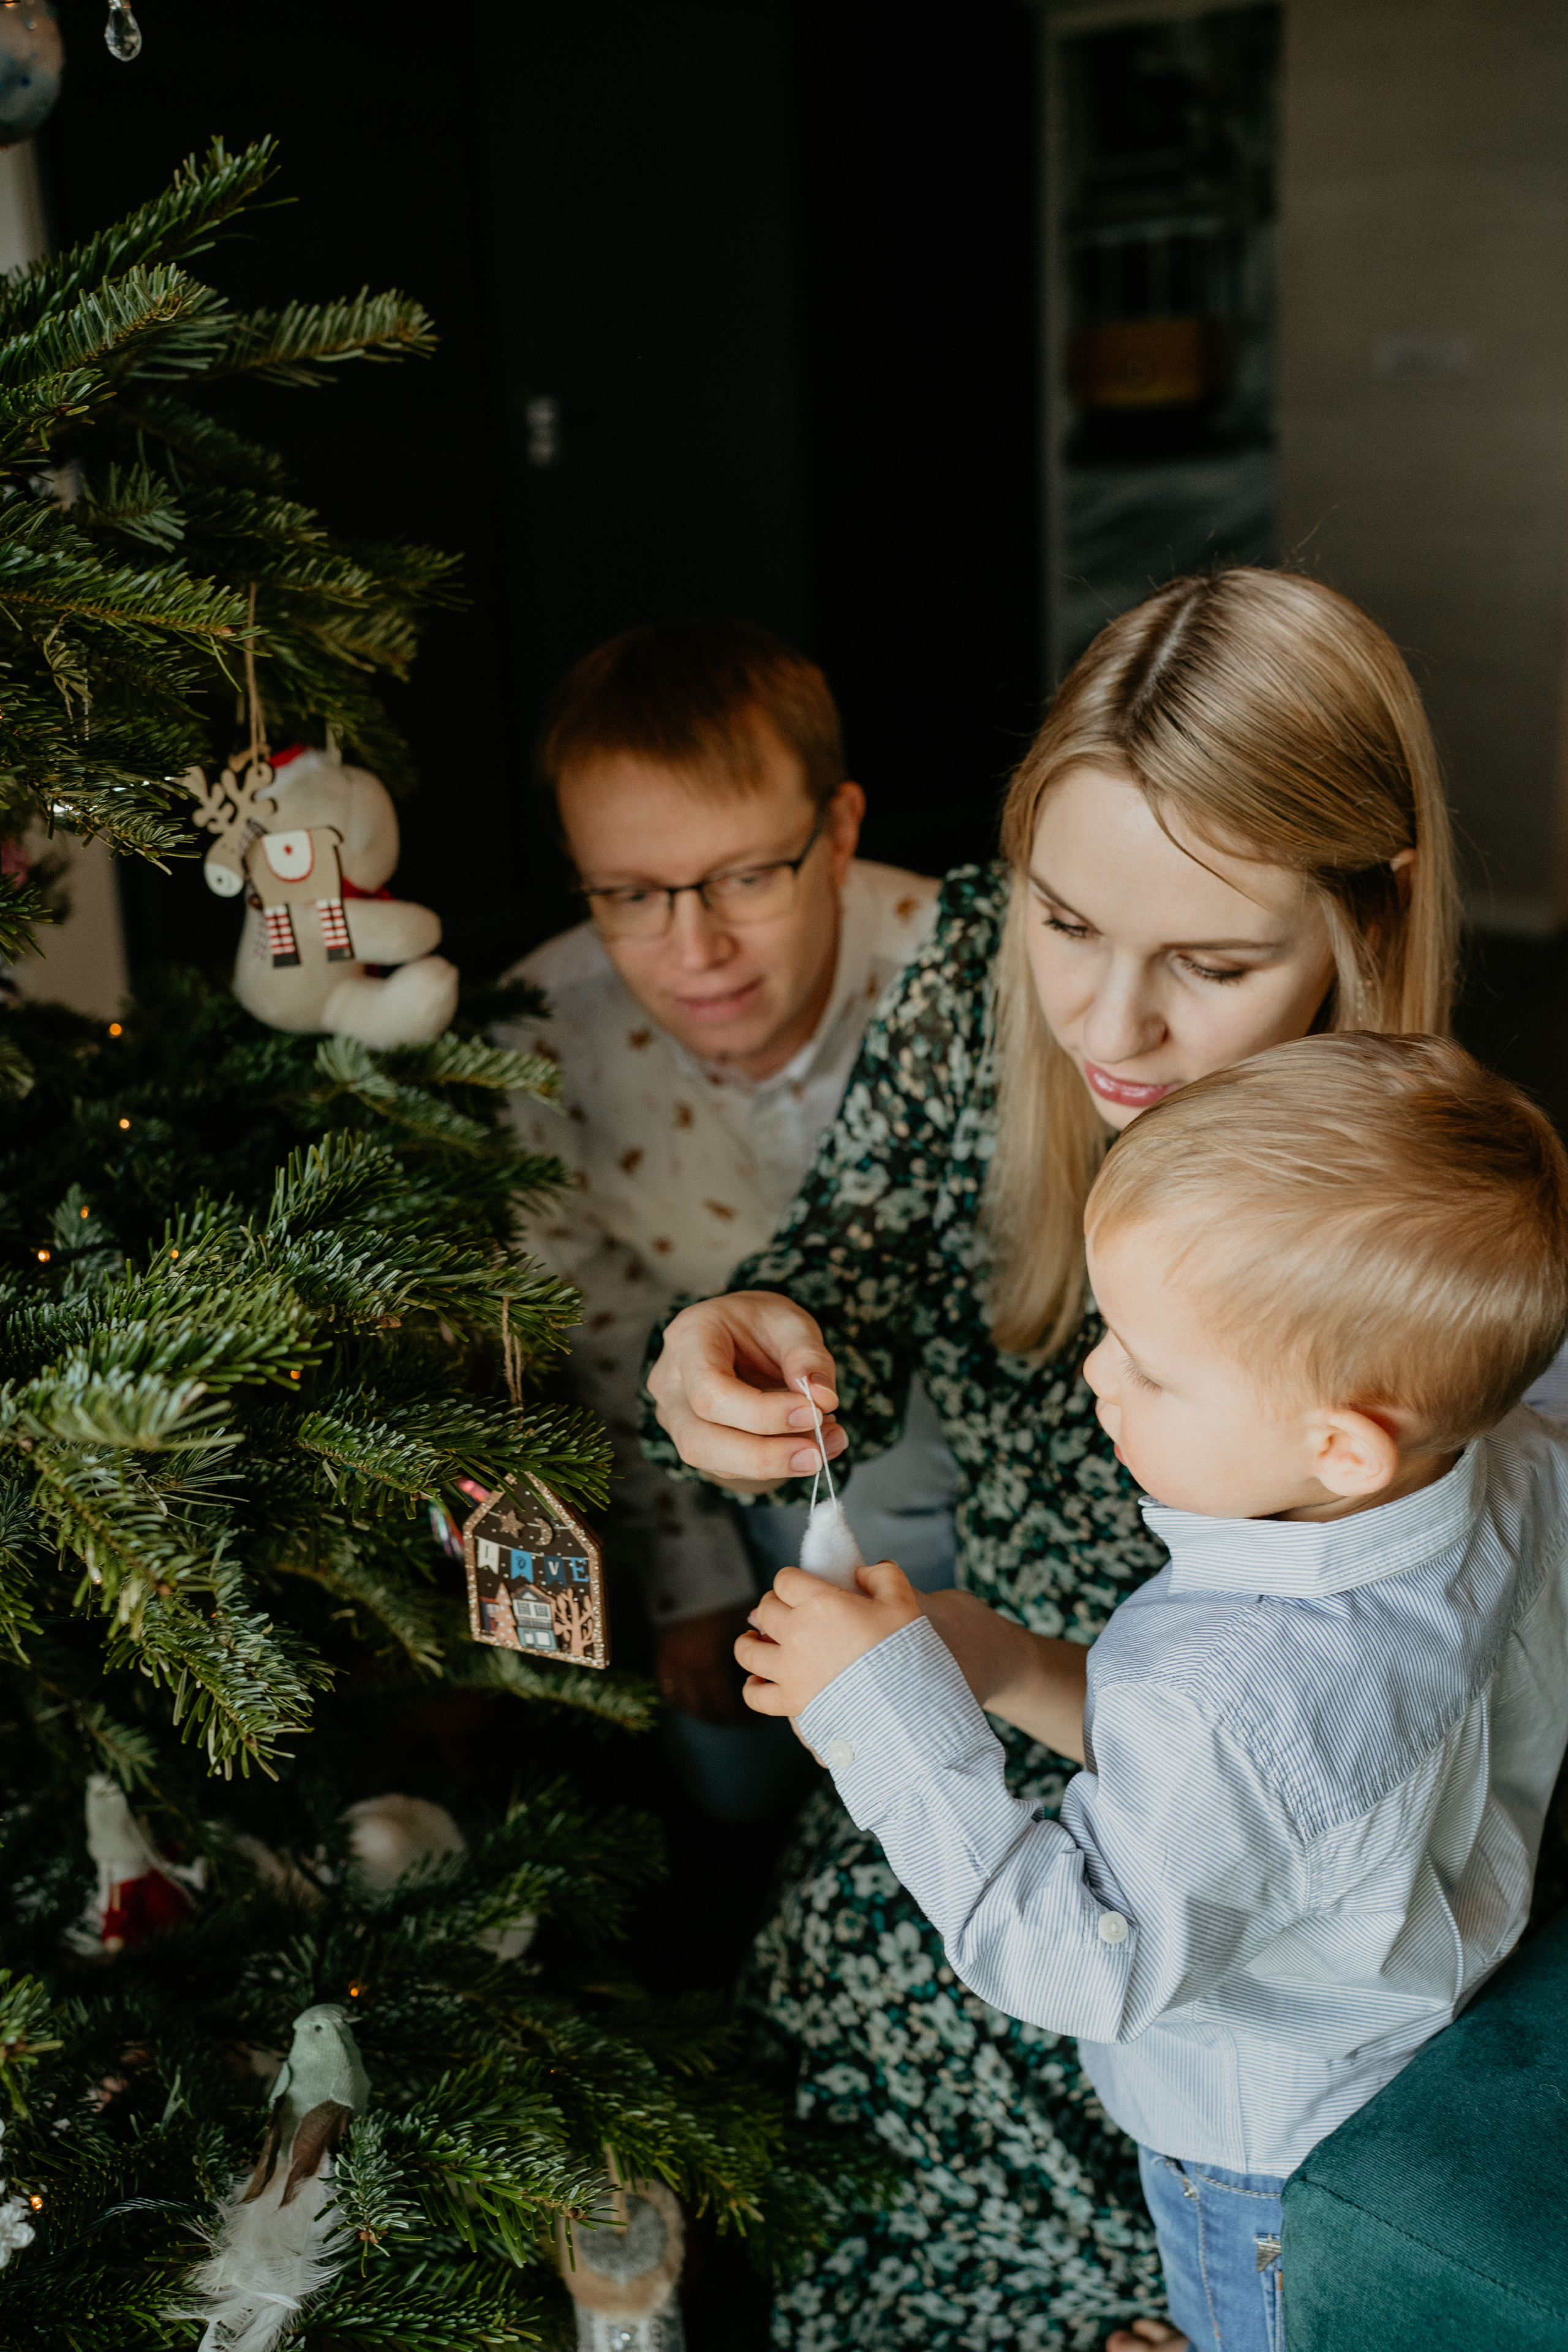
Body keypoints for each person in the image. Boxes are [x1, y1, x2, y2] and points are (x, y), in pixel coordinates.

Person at [643, 568, 1463, 2349]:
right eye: (1067, 922)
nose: (1109, 1026)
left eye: (1215, 965)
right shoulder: (968, 966)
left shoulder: (1419, 1213)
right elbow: (860, 1240)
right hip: (961, 1712)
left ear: (1368, 925)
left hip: (1232, 1875)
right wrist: (753, 1328)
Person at [736, 1032, 1568, 2352]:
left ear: (1338, 1446)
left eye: (1147, 1363)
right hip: (1408, 1999)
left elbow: (1074, 1957)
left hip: (1255, 2155)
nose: (1093, 1376)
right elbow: (1231, 1784)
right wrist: (1002, 1663)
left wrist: (878, 1711)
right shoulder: (1506, 1458)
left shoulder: (1226, 1690)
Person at [500, 619, 956, 1818]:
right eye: (630, 894)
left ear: (840, 830)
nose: (693, 951)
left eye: (746, 876)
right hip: (701, 1486)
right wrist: (688, 1585)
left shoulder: (965, 973)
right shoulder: (538, 1041)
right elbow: (593, 1327)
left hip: (960, 1482)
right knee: (723, 1769)